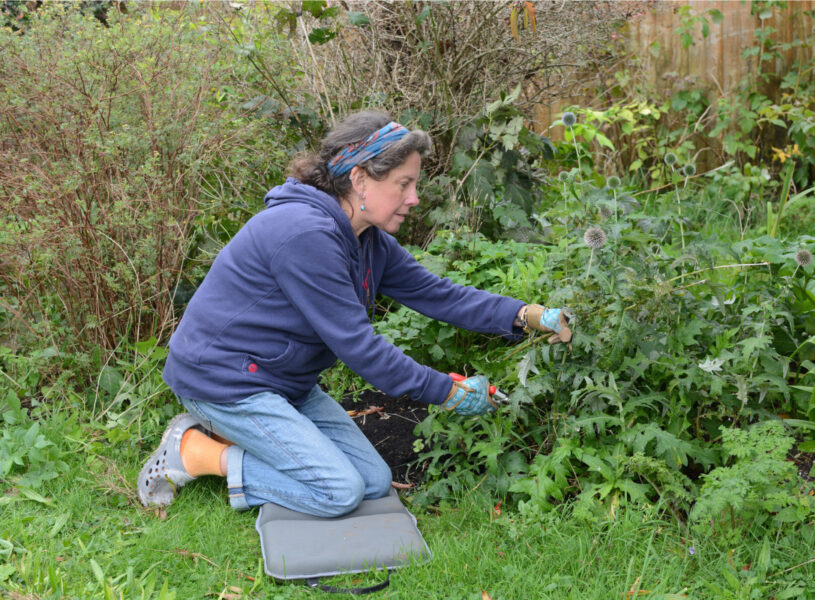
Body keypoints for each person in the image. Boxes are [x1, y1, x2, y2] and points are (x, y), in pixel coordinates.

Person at [137, 111, 571, 517]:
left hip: (283, 381)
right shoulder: (304, 234)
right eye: (404, 184)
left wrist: (528, 315)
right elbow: (359, 348)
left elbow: (438, 294)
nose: (414, 198)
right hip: (224, 379)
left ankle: (243, 439)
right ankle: (195, 450)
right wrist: (446, 391)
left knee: (374, 481)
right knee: (339, 492)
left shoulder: (366, 241)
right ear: (360, 179)